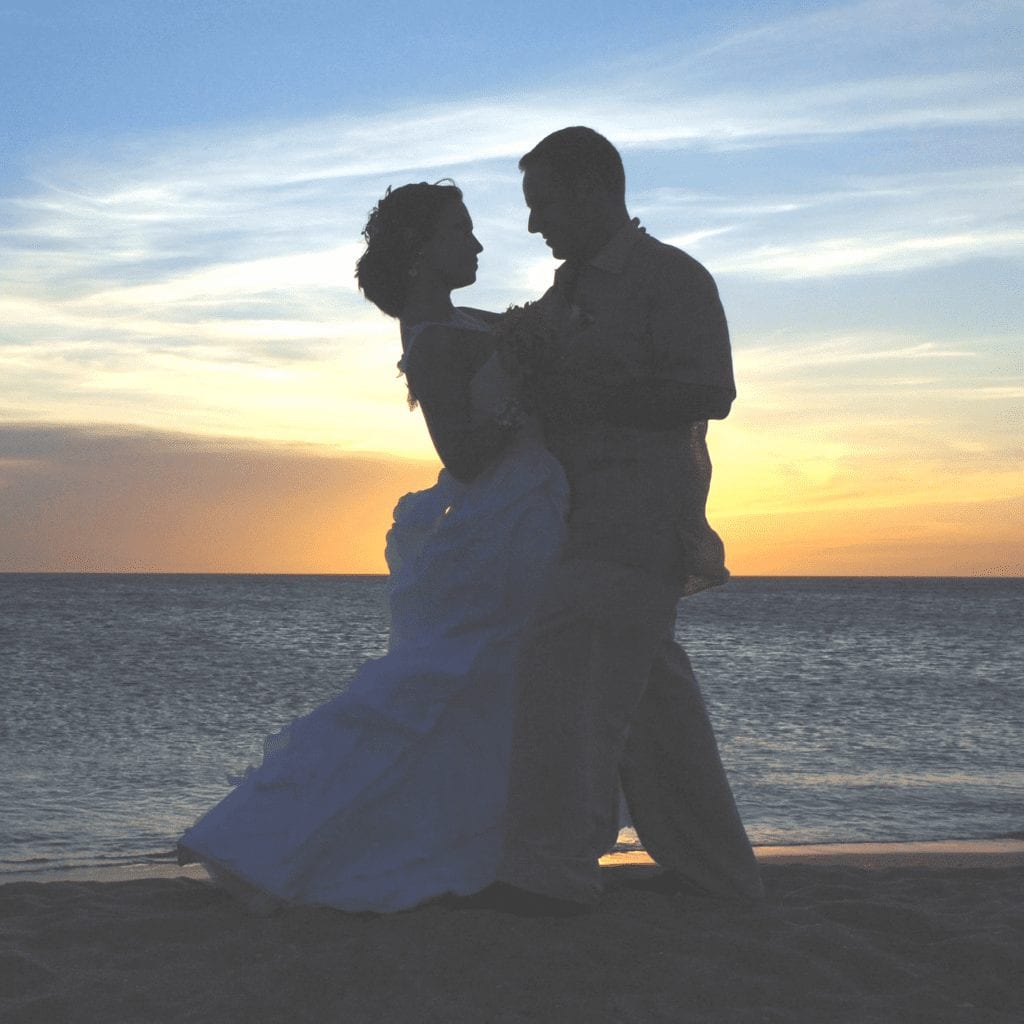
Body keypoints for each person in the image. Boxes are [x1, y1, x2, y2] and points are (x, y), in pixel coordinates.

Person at [177, 182, 569, 913]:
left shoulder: (459, 324)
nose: (479, 245)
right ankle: (269, 836)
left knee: (493, 693)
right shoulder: (434, 340)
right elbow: (465, 452)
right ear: (422, 252)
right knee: (454, 683)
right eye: (462, 230)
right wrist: (527, 390)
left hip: (532, 508)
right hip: (508, 517)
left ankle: (476, 845)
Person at [484, 127, 764, 913]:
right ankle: (717, 873)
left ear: (593, 193)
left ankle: (550, 872)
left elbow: (712, 391)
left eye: (542, 205)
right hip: (582, 520)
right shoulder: (564, 294)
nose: (535, 225)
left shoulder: (671, 278)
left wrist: (592, 400)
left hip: (639, 517)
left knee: (563, 686)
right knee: (651, 705)